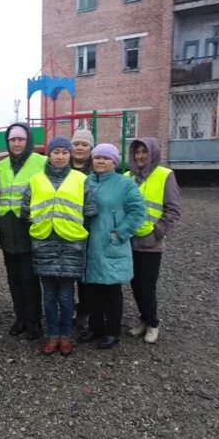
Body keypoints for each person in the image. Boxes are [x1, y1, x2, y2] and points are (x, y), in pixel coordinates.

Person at [22, 136, 97, 356]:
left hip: (71, 244)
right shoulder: (36, 180)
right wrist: (39, 221)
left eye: (65, 152)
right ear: (49, 154)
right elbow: (25, 208)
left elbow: (90, 210)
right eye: (56, 152)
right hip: (44, 242)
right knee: (49, 296)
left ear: (70, 155)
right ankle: (52, 335)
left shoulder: (81, 179)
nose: (61, 156)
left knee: (65, 296)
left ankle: (65, 336)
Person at [80, 144, 145, 349]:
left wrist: (119, 234)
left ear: (115, 162)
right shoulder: (86, 181)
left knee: (111, 291)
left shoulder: (124, 184)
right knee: (92, 290)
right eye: (97, 157)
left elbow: (138, 212)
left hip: (110, 244)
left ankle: (112, 331)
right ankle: (95, 327)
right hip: (89, 245)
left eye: (106, 158)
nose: (100, 161)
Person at [125, 137, 181, 344]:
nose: (140, 156)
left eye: (144, 152)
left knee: (147, 285)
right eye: (137, 152)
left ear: (153, 153)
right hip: (130, 242)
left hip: (151, 244)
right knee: (135, 285)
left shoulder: (165, 175)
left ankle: (153, 323)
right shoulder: (127, 176)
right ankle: (144, 319)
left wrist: (158, 232)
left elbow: (173, 209)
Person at [0, 123, 46, 340]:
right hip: (7, 231)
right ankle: (20, 318)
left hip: (30, 229)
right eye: (12, 140)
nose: (16, 143)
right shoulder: (0, 166)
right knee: (13, 278)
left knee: (29, 279)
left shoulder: (42, 163)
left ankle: (34, 321)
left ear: (28, 141)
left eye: (20, 139)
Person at [70, 128, 95, 335]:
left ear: (91, 148)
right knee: (68, 271)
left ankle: (85, 311)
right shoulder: (60, 167)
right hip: (66, 228)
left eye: (84, 144)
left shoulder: (96, 171)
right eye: (76, 144)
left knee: (86, 274)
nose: (79, 147)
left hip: (89, 227)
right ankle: (69, 309)